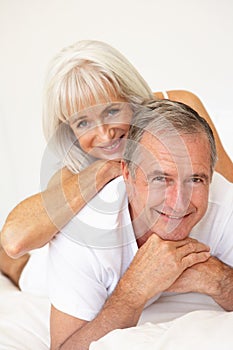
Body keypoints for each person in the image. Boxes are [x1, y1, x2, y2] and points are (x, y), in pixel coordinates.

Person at [0, 40, 232, 287]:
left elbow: (227, 183)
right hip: (59, 265)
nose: (104, 134)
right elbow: (15, 239)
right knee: (24, 268)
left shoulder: (182, 108)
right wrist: (108, 169)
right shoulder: (76, 161)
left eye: (111, 111)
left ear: (132, 98)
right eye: (83, 123)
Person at [47, 99, 233, 349]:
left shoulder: (224, 202)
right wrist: (132, 293)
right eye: (160, 179)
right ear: (127, 174)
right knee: (26, 272)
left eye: (196, 180)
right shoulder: (83, 231)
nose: (179, 203)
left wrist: (219, 280)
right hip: (44, 267)